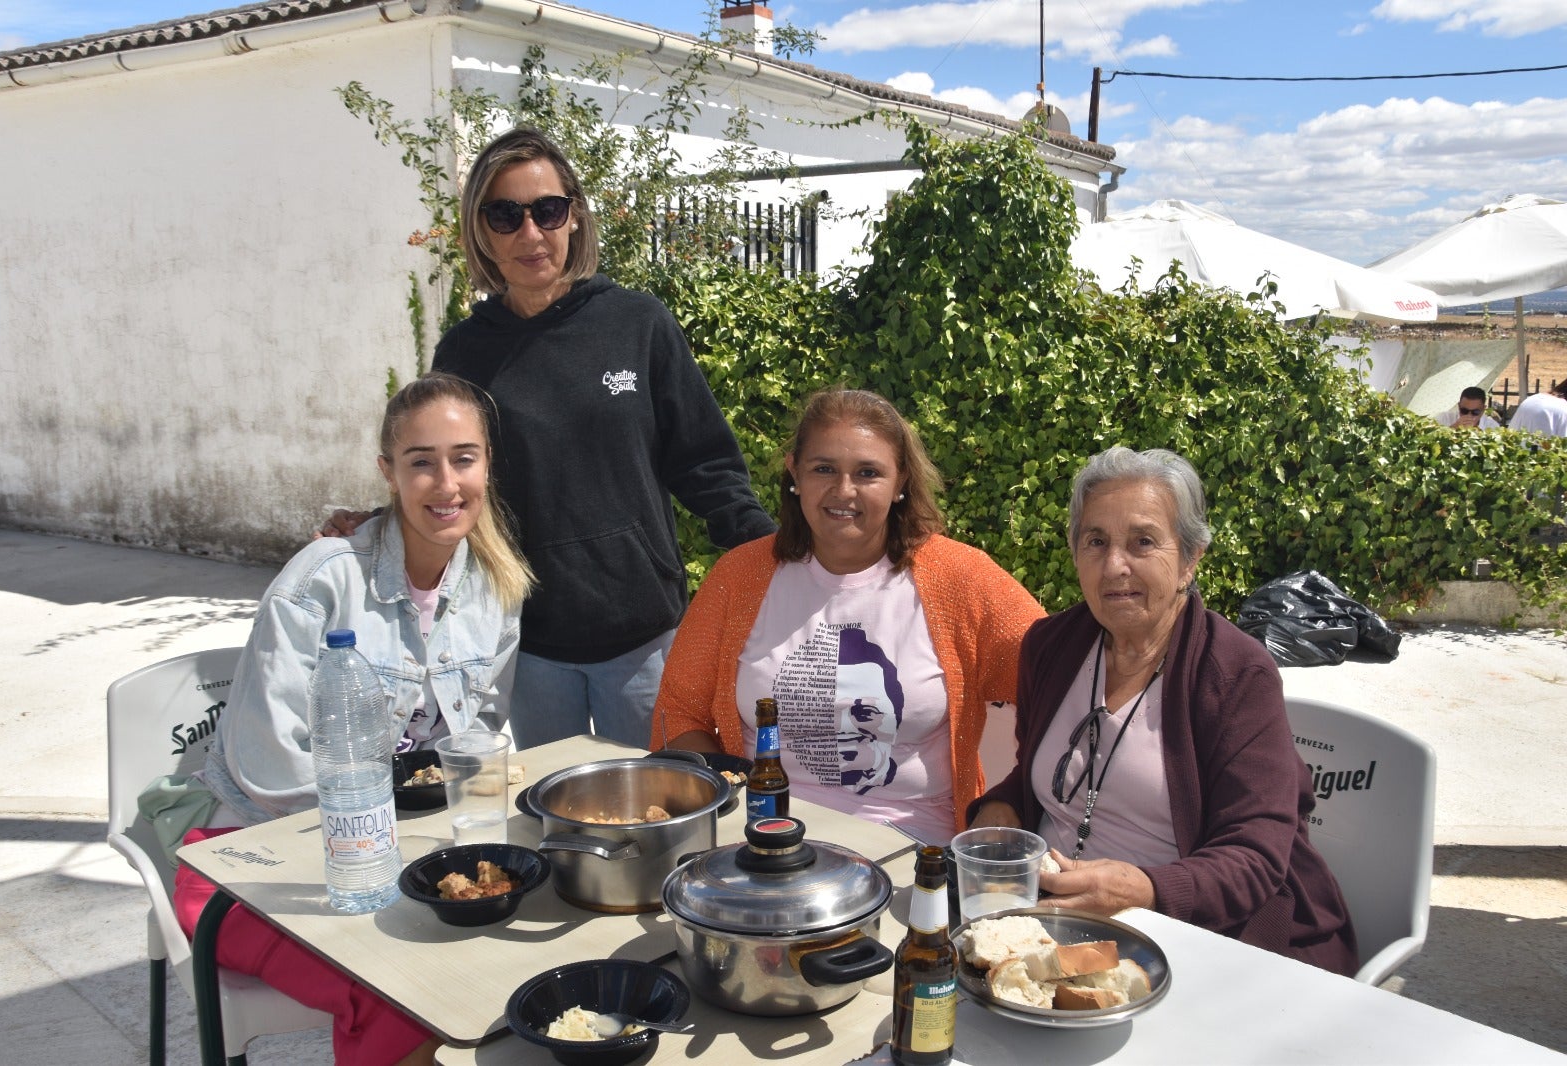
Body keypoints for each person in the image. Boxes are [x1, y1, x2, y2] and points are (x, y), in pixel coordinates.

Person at [323, 126, 773, 750]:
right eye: (505, 215)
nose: (530, 234)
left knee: (662, 817)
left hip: (644, 638)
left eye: (548, 211)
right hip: (527, 642)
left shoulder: (637, 324)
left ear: (575, 216)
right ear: (480, 230)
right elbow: (453, 479)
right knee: (559, 828)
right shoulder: (465, 353)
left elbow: (706, 465)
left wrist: (778, 554)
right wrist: (378, 526)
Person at [170, 372, 534, 1066]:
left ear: (488, 466)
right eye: (421, 462)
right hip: (247, 870)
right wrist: (390, 849)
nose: (445, 482)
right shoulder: (321, 580)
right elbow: (270, 767)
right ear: (388, 474)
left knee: (508, 946)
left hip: (394, 859)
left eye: (464, 458)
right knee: (398, 991)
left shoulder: (495, 589)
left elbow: (472, 744)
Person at [967, 446, 1357, 974]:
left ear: (1190, 558)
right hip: (1051, 920)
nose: (1114, 566)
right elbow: (1045, 772)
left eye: (1143, 542)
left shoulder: (1238, 675)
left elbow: (1257, 857)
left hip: (1191, 930)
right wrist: (1001, 813)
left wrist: (1145, 888)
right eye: (1095, 542)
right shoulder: (1050, 646)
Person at [653, 388, 1046, 844]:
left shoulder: (962, 579)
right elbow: (678, 714)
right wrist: (727, 801)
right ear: (794, 473)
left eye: (868, 473)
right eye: (823, 469)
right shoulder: (738, 577)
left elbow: (1062, 684)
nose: (844, 491)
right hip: (762, 839)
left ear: (901, 483)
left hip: (912, 849)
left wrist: (1007, 802)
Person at [1435, 386, 1500, 429]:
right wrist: (1454, 427)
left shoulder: (1492, 426)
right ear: (1459, 406)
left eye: (1475, 412)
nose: (1469, 415)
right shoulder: (1444, 418)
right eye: (1464, 411)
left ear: (1483, 409)